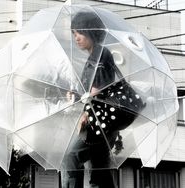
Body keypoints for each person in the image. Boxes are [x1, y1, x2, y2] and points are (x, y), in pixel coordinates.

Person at [62, 11, 120, 188]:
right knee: (99, 171)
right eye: (74, 34)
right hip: (103, 124)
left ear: (90, 31)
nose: (76, 38)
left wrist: (84, 109)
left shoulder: (100, 55)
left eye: (79, 32)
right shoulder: (95, 56)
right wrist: (77, 96)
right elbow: (93, 92)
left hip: (98, 122)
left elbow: (97, 92)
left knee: (72, 157)